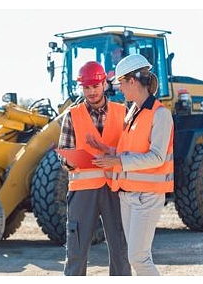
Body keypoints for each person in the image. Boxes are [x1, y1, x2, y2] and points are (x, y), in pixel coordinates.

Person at [89, 54, 174, 276]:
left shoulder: (161, 115)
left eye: (121, 84)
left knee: (139, 257)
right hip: (127, 195)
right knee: (135, 255)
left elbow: (157, 156)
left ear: (133, 81)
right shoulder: (132, 114)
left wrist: (118, 161)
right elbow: (130, 151)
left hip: (146, 196)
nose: (120, 90)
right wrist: (107, 150)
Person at [58, 61, 131, 276]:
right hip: (83, 192)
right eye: (86, 88)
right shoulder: (72, 115)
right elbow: (65, 154)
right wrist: (71, 161)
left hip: (116, 189)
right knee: (76, 251)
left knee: (121, 251)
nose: (90, 92)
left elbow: (130, 150)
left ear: (104, 84)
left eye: (95, 86)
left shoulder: (123, 112)